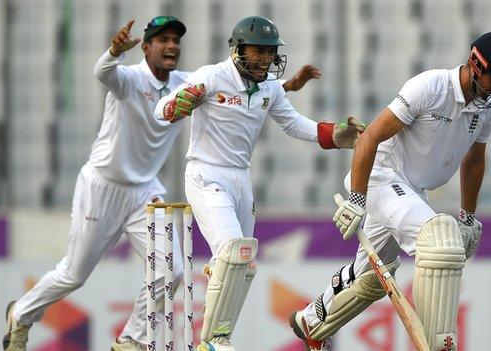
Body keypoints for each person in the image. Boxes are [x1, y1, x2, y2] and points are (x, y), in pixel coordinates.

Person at [2, 16, 321, 351]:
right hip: (103, 185)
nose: (172, 46)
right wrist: (112, 52)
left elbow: (237, 89)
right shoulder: (128, 78)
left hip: (145, 192)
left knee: (173, 270)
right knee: (74, 274)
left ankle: (132, 339)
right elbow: (103, 74)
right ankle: (20, 315)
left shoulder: (188, 81)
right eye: (163, 40)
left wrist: (283, 87)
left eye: (176, 41)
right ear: (146, 47)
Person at [289, 31, 491, 351]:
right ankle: (437, 343)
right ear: (475, 64)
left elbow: (474, 159)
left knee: (372, 277)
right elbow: (370, 136)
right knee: (439, 242)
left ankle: (310, 321)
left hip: (412, 190)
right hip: (381, 178)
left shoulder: (485, 107)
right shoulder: (430, 87)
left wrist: (468, 217)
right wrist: (357, 199)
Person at [154, 15, 367, 351]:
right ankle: (211, 341)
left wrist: (340, 135)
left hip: (240, 179)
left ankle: (220, 334)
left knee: (246, 263)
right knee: (232, 251)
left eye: (270, 53)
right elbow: (161, 110)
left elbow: (296, 125)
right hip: (205, 174)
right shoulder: (211, 77)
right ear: (238, 48)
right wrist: (173, 108)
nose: (266, 59)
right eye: (259, 52)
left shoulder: (268, 89)